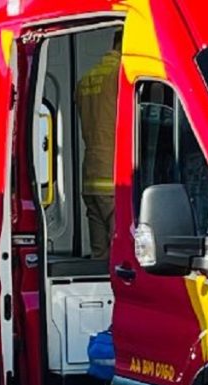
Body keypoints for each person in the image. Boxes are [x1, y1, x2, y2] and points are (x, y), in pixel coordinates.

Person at [76, 31, 122, 261]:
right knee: (122, 252)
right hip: (114, 176)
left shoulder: (86, 79)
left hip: (91, 175)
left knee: (100, 256)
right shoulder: (120, 75)